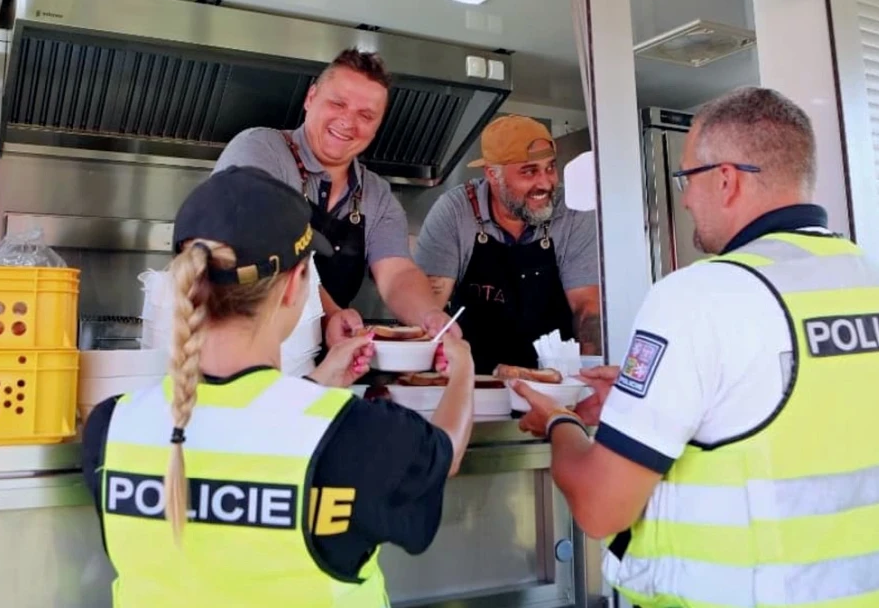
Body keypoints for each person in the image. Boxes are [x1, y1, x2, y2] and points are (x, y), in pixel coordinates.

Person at [513, 87, 879, 608]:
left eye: (686, 178)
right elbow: (809, 418)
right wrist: (645, 403)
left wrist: (559, 420)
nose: (686, 197)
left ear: (725, 179)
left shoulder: (700, 295)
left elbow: (599, 507)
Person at [80, 166, 477, 607]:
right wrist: (462, 370)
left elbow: (240, 433)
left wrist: (321, 381)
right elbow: (445, 455)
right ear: (295, 288)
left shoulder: (110, 427)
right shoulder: (356, 436)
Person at [213, 48, 457, 348]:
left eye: (366, 115)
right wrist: (330, 315)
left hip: (325, 362)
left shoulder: (376, 194)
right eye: (338, 103)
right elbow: (263, 245)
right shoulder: (260, 150)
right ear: (310, 98)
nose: (348, 122)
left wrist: (430, 316)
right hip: (242, 353)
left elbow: (398, 273)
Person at [414, 114, 601, 374]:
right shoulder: (456, 212)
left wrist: (586, 380)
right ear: (493, 174)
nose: (546, 183)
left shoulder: (570, 213)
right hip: (472, 382)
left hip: (552, 383)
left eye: (550, 167)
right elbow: (428, 305)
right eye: (529, 171)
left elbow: (587, 308)